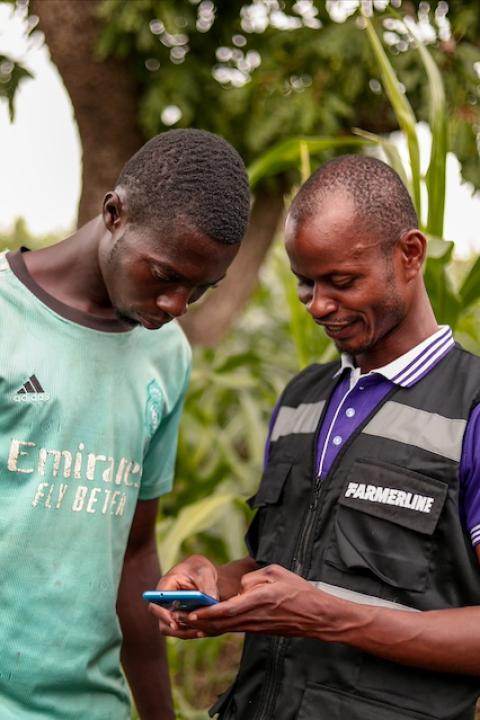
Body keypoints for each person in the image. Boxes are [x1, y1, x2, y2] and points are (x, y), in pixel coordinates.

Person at [151, 155, 480, 720]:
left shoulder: (469, 406)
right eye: (305, 285)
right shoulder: (302, 397)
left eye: (342, 282)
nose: (320, 306)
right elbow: (283, 568)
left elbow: (313, 605)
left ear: (410, 255)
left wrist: (326, 615)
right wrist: (217, 583)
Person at [0, 128, 250, 720]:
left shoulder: (167, 356)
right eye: (165, 274)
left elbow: (135, 551)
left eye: (201, 290)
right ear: (115, 212)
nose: (176, 306)